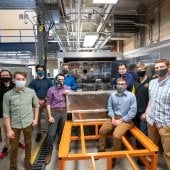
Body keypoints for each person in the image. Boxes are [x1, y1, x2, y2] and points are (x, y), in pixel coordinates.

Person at [3, 71, 39, 170]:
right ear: (13, 80)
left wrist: (35, 119)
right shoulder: (7, 95)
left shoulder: (31, 92)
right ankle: (13, 166)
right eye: (18, 79)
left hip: (28, 123)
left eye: (23, 79)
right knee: (14, 147)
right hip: (14, 125)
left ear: (25, 80)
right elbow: (6, 114)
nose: (21, 81)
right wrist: (9, 129)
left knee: (28, 143)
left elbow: (36, 106)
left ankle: (27, 161)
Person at [98, 77, 137, 167]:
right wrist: (112, 118)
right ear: (116, 85)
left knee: (116, 135)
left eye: (123, 84)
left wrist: (121, 120)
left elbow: (133, 111)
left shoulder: (131, 96)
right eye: (119, 84)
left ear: (126, 85)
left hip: (126, 120)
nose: (120, 86)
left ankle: (114, 156)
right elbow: (110, 107)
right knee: (102, 131)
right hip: (114, 117)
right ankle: (101, 149)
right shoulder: (112, 95)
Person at [146, 59, 170, 169]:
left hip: (165, 124)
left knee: (168, 152)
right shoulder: (152, 83)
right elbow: (151, 99)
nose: (159, 70)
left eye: (161, 67)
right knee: (151, 147)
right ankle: (150, 167)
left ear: (168, 67)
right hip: (152, 120)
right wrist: (146, 112)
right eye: (157, 68)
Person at [45, 73, 70, 165]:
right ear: (56, 80)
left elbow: (73, 98)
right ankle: (49, 153)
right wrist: (50, 116)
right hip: (54, 111)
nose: (61, 81)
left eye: (62, 80)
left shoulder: (67, 88)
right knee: (51, 134)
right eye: (59, 79)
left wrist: (69, 94)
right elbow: (48, 102)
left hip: (64, 111)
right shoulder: (51, 89)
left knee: (63, 131)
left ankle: (62, 147)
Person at [0, 69, 25, 159]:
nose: (5, 77)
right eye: (3, 76)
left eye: (7, 75)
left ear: (10, 76)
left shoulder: (15, 86)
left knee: (16, 130)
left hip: (15, 113)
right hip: (2, 114)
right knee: (4, 132)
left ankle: (17, 143)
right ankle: (5, 148)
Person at [29, 65, 52, 142]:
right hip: (36, 103)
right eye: (38, 70)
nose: (40, 71)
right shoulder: (33, 82)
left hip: (46, 102)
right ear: (36, 71)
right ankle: (38, 133)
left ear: (44, 71)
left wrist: (45, 99)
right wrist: (37, 99)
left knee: (47, 118)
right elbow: (31, 92)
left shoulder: (48, 81)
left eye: (41, 70)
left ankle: (49, 133)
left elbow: (51, 91)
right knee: (37, 119)